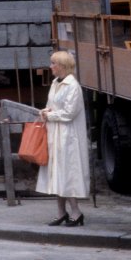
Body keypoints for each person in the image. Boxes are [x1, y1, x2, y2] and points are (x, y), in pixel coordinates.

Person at [36, 51, 90, 227]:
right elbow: (53, 106)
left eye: (53, 63)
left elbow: (69, 113)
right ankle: (61, 212)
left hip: (68, 136)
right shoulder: (55, 83)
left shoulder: (73, 86)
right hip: (55, 134)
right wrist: (46, 111)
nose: (51, 66)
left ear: (62, 66)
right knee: (56, 173)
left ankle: (76, 211)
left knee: (67, 173)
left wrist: (49, 115)